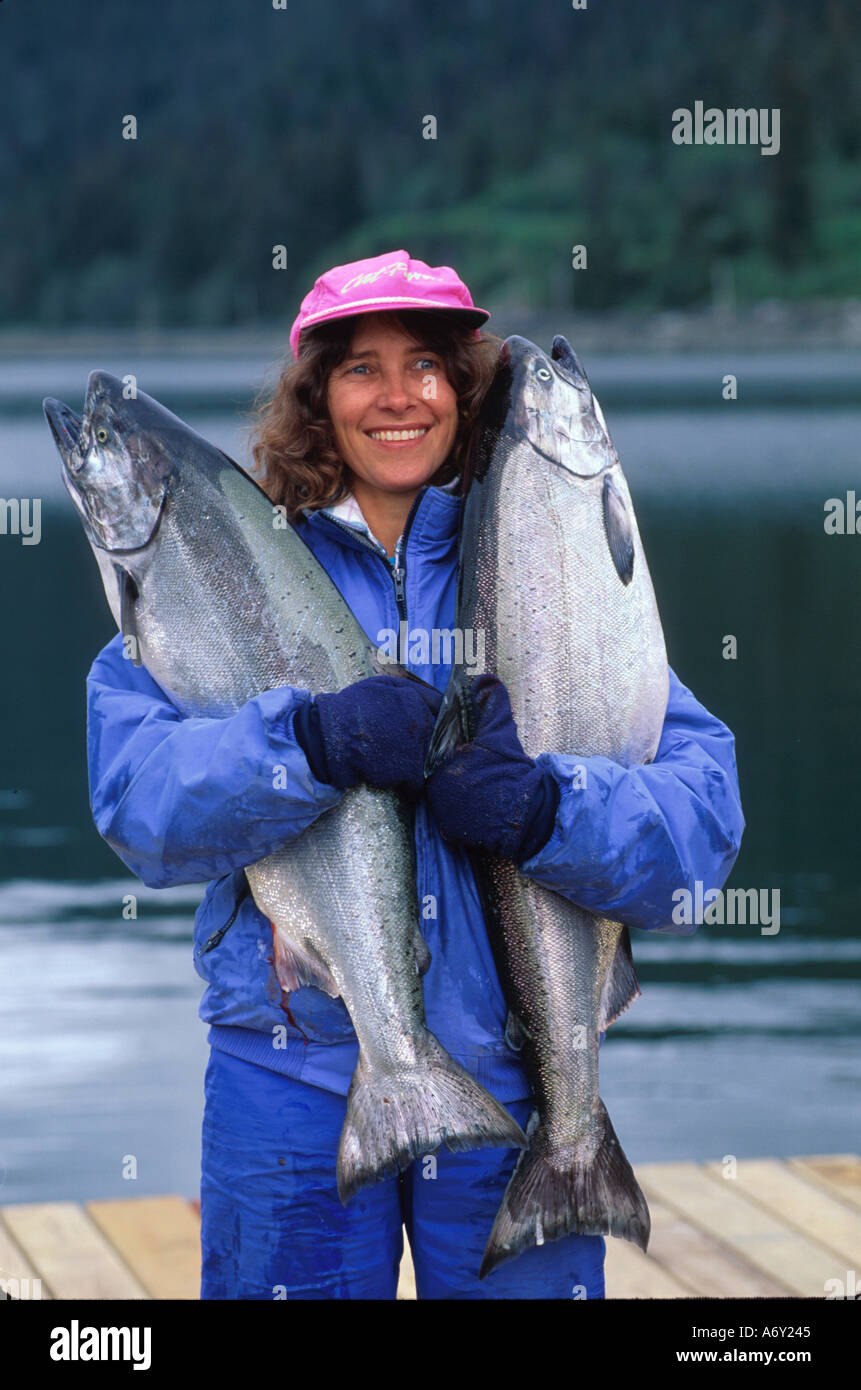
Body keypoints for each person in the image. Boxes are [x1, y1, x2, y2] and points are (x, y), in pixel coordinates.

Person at [86, 249, 745, 1300]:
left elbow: (703, 833)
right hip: (286, 1073)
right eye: (360, 368)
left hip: (512, 1079)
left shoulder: (553, 563)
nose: (398, 396)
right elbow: (139, 807)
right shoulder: (222, 574)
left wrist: (548, 810)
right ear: (316, 399)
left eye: (427, 365)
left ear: (465, 389)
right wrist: (304, 744)